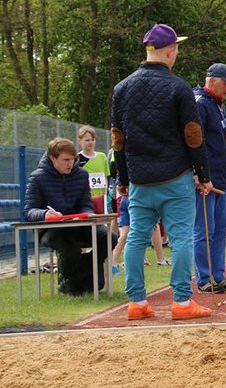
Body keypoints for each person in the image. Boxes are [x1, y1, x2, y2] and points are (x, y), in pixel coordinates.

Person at [112, 23, 212, 320]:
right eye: (177, 48)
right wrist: (203, 175)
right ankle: (182, 302)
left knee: (136, 238)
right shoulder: (179, 88)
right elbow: (193, 135)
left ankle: (137, 302)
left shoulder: (122, 88)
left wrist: (123, 179)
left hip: (140, 179)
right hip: (175, 177)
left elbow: (118, 138)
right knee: (182, 238)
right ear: (170, 51)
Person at [24, 137, 117, 296]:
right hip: (52, 230)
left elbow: (85, 203)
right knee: (70, 250)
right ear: (53, 158)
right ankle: (78, 282)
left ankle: (69, 281)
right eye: (65, 160)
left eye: (73, 159)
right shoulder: (37, 177)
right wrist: (46, 214)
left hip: (79, 225)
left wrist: (88, 213)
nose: (70, 163)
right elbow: (29, 211)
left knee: (109, 237)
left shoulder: (81, 175)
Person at [193, 63, 226, 293]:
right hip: (205, 179)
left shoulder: (220, 106)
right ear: (211, 80)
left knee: (221, 229)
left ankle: (219, 275)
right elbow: (193, 140)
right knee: (204, 230)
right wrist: (196, 172)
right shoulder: (201, 104)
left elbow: (222, 138)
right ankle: (204, 278)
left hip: (221, 177)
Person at [76, 125, 111, 207]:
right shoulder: (77, 158)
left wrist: (105, 196)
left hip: (101, 199)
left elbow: (105, 177)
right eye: (87, 140)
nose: (90, 142)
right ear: (79, 141)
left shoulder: (102, 156)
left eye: (93, 139)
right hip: (85, 199)